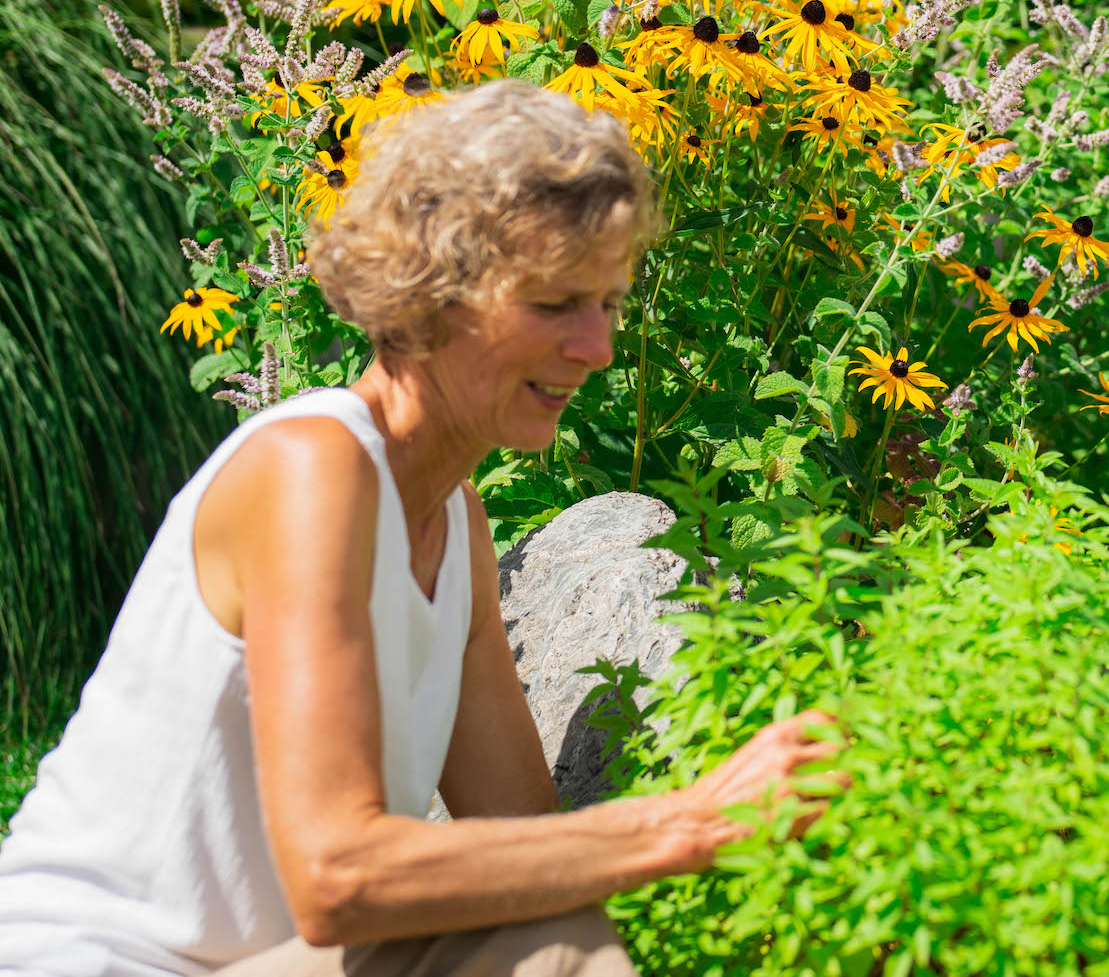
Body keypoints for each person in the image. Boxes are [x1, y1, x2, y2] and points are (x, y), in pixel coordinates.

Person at [0, 82, 840, 976]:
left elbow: (521, 846)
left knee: (547, 930)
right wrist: (686, 821)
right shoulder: (309, 468)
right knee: (556, 946)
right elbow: (337, 876)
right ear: (433, 292)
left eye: (610, 303)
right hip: (93, 960)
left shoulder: (452, 519)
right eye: (556, 304)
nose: (597, 347)